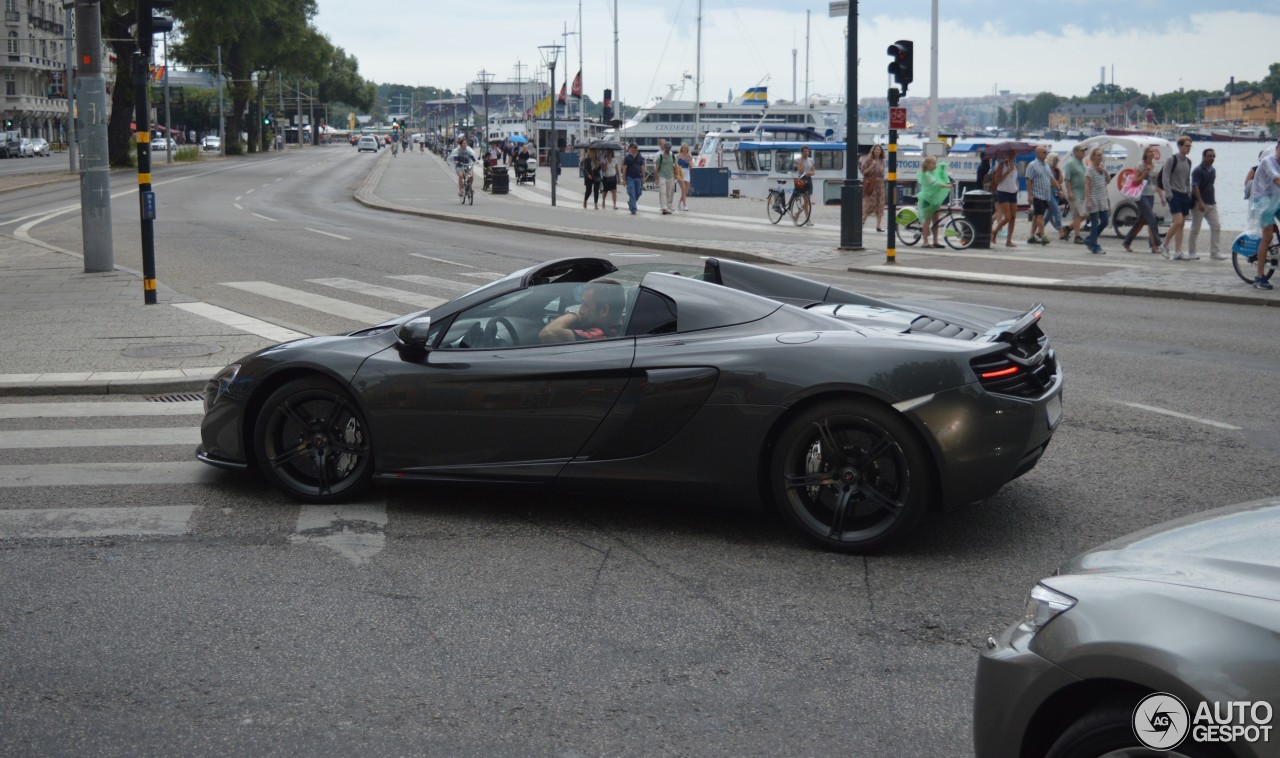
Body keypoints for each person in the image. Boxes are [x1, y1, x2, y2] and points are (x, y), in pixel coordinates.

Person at [538, 282, 627, 342]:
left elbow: (548, 333)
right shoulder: (618, 330)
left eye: (585, 304)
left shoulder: (599, 335)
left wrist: (572, 315)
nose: (581, 311)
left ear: (604, 310)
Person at [1247, 141, 1280, 290]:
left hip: (1276, 199)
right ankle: (1259, 277)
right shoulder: (1268, 161)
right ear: (1277, 148)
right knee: (1267, 237)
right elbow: (1277, 180)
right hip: (1263, 202)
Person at [1120, 145, 1165, 254]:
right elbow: (1135, 181)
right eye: (1149, 152)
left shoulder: (1154, 166)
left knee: (1141, 220)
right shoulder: (1141, 165)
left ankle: (1127, 241)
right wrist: (1145, 172)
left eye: (1153, 152)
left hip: (1150, 195)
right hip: (1141, 195)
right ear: (1145, 154)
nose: (1152, 153)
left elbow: (1156, 183)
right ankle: (1158, 243)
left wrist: (1163, 197)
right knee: (1151, 218)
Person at [1160, 135, 1194, 260]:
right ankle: (1164, 244)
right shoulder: (1171, 159)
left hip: (1184, 194)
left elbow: (1187, 179)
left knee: (1181, 224)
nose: (1188, 148)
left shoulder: (1189, 161)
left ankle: (1178, 251)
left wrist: (1189, 193)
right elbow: (1165, 177)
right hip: (1174, 194)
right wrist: (1168, 194)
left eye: (1190, 146)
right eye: (1186, 146)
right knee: (1178, 221)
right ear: (1180, 146)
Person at [1190, 148, 1225, 260]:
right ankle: (1192, 252)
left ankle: (1214, 253)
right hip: (1199, 204)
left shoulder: (1213, 170)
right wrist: (1200, 202)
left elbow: (1211, 185)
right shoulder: (1197, 170)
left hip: (1211, 203)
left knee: (1216, 226)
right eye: (1209, 156)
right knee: (1195, 228)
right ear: (1204, 157)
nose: (1212, 158)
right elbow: (1195, 186)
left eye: (1213, 156)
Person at [915, 155, 954, 248]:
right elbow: (935, 183)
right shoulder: (926, 174)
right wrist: (948, 186)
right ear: (927, 164)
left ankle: (935, 241)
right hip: (927, 199)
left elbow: (940, 174)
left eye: (935, 163)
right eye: (933, 163)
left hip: (934, 200)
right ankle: (925, 242)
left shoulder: (934, 172)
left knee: (936, 221)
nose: (935, 165)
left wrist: (943, 168)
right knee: (927, 222)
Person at [1023, 145, 1057, 245]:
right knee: (1040, 216)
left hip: (1045, 195)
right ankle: (1043, 235)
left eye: (1046, 152)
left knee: (1036, 215)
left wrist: (1059, 189)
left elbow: (1051, 178)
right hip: (1037, 194)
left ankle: (1032, 236)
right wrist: (1030, 195)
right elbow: (1028, 180)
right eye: (1044, 152)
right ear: (1038, 154)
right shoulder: (1032, 165)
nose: (1046, 154)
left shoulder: (1046, 165)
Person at [989, 153, 1020, 247]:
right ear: (1007, 155)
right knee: (1007, 217)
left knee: (1013, 217)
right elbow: (996, 180)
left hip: (1012, 192)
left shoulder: (1015, 166)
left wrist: (1017, 187)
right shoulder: (1002, 165)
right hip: (1002, 192)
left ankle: (1009, 240)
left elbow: (1015, 179)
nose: (1013, 156)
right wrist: (1007, 172)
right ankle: (994, 231)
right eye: (1011, 154)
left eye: (1014, 154)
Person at [1083, 146, 1110, 255]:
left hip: (1102, 198)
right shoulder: (1090, 169)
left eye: (1101, 155)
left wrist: (1104, 171)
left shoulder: (1102, 167)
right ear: (1093, 156)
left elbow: (1108, 180)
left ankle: (1090, 239)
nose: (1100, 157)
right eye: (1098, 155)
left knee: (1105, 221)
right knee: (1095, 222)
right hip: (1093, 198)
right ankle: (1094, 245)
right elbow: (1087, 186)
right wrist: (1088, 200)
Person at [1061, 144, 1088, 244]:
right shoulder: (1070, 164)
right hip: (1075, 193)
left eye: (1084, 151)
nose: (1084, 152)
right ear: (1076, 152)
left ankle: (1068, 228)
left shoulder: (1083, 164)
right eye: (1082, 151)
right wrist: (1069, 192)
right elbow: (1067, 179)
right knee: (1077, 215)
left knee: (1085, 215)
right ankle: (1077, 236)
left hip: (1083, 193)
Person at [860, 144, 886, 232]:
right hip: (872, 183)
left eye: (879, 150)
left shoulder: (882, 161)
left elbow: (883, 173)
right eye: (876, 150)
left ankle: (878, 226)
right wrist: (872, 166)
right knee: (869, 204)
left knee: (880, 204)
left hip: (880, 184)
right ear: (873, 151)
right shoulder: (868, 160)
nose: (877, 151)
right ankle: (862, 221)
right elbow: (863, 172)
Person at [653, 139, 677, 215]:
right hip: (662, 176)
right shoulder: (660, 156)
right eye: (666, 148)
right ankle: (664, 207)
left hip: (671, 176)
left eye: (669, 148)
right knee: (663, 192)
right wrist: (656, 178)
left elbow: (675, 166)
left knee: (668, 193)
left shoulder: (672, 156)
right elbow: (656, 168)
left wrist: (676, 175)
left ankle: (667, 206)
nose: (667, 149)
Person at [794, 145, 816, 226]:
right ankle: (808, 219)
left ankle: (797, 213)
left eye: (807, 151)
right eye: (804, 152)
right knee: (806, 200)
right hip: (802, 180)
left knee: (807, 201)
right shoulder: (799, 160)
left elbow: (813, 172)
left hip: (808, 180)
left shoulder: (811, 160)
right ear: (802, 153)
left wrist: (807, 173)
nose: (806, 153)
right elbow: (800, 171)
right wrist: (802, 161)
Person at [1045, 153, 1065, 240]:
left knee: (1049, 214)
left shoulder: (1056, 170)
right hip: (1048, 193)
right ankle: (1061, 232)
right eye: (1055, 160)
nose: (1057, 161)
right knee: (1057, 212)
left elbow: (1060, 181)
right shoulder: (1046, 169)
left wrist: (1059, 171)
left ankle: (1038, 231)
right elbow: (1049, 181)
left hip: (1055, 192)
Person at [623, 143, 645, 215]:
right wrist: (624, 179)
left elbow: (642, 167)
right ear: (630, 148)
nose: (636, 149)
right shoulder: (627, 158)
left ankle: (631, 203)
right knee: (632, 193)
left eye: (637, 147)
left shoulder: (639, 157)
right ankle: (633, 209)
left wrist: (644, 177)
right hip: (630, 178)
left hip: (638, 178)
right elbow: (624, 169)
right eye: (634, 147)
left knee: (638, 193)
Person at [676, 143, 693, 211]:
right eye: (683, 147)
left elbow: (691, 167)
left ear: (687, 149)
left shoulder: (689, 156)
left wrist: (689, 162)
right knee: (683, 189)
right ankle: (685, 205)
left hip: (686, 172)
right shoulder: (678, 155)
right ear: (681, 148)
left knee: (686, 191)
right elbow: (675, 164)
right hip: (680, 171)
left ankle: (680, 201)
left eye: (686, 148)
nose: (684, 149)